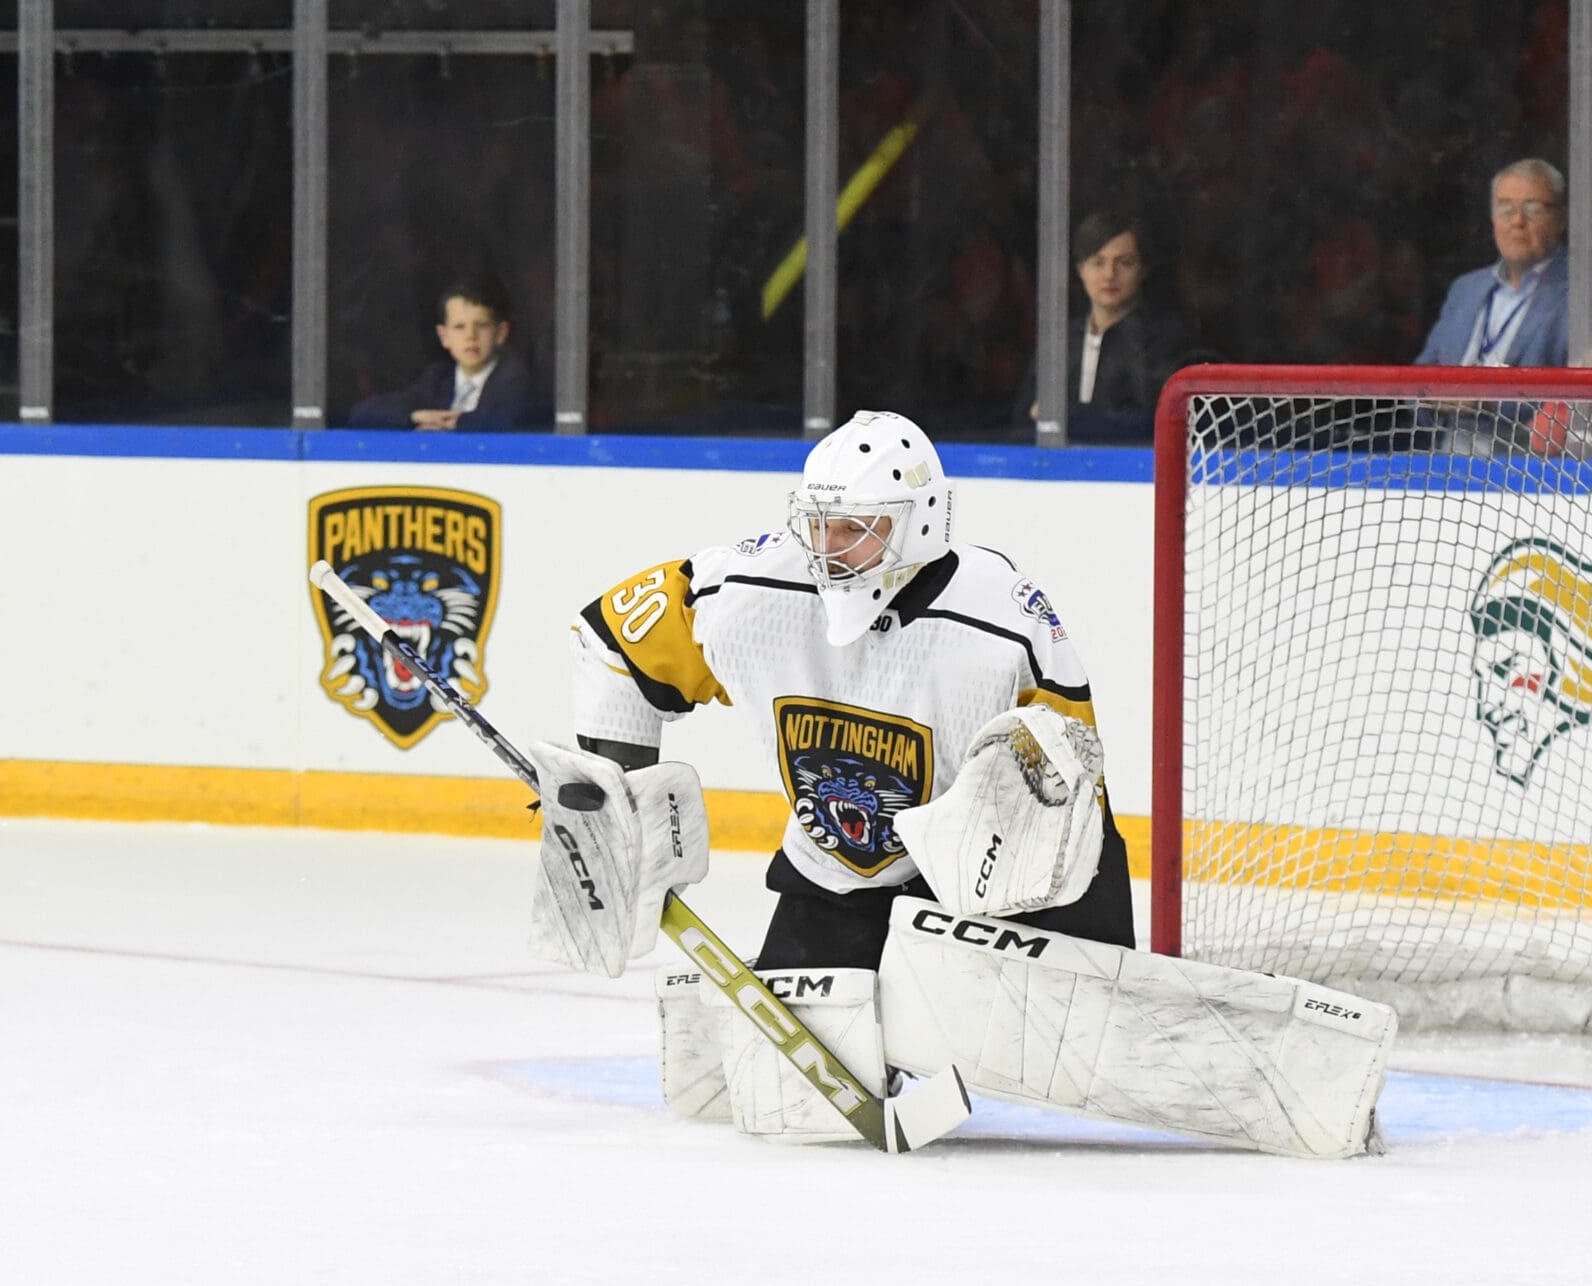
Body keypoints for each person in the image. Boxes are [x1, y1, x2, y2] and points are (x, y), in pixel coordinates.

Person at [518, 411, 1389, 1159]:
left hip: (1007, 874)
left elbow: (1068, 789)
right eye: (819, 525)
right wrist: (613, 800)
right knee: (778, 1093)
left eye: (858, 529)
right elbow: (610, 639)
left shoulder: (1001, 619)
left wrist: (995, 910)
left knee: (1093, 1031)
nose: (830, 549)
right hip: (841, 870)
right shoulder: (751, 592)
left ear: (921, 523)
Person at [1016, 210, 1186, 444]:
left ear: (1143, 270)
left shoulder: (1162, 340)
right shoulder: (1061, 341)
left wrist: (1074, 418)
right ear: (1081, 270)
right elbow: (1023, 417)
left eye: (1124, 263)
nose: (1109, 275)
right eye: (1098, 262)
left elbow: (1153, 421)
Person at [1417, 158, 1570, 367]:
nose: (1517, 221)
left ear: (1562, 218)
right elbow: (1424, 373)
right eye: (1506, 210)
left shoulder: (1579, 296)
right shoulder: (1465, 289)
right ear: (1493, 219)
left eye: (1533, 209)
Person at [345, 280, 546, 432]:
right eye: (459, 327)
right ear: (444, 336)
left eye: (481, 325)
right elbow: (362, 413)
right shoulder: (439, 377)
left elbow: (515, 421)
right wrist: (414, 416)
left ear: (501, 333)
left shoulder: (516, 379)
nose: (470, 336)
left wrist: (455, 423)